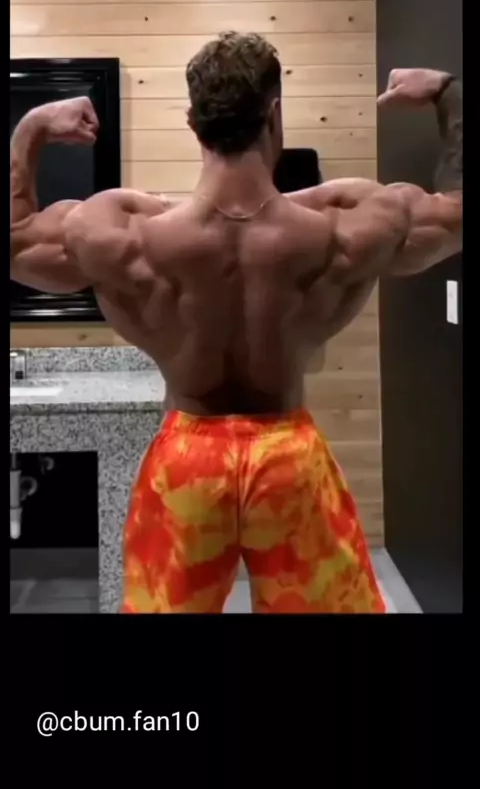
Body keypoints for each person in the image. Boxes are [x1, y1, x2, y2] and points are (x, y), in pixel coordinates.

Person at [10, 32, 462, 614]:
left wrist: (32, 129)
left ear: (192, 121)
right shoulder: (346, 226)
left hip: (186, 462)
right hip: (289, 458)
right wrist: (449, 93)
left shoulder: (125, 235)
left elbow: (15, 242)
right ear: (274, 114)